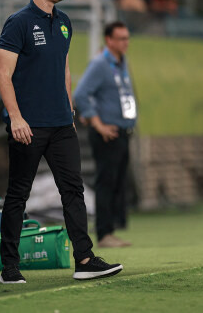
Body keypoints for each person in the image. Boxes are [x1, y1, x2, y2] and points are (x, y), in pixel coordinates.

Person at [0, 0, 123, 284]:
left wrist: (68, 110)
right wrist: (15, 118)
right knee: (18, 194)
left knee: (74, 190)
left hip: (61, 125)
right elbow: (2, 77)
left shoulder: (65, 21)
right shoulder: (18, 23)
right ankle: (9, 267)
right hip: (27, 126)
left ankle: (84, 259)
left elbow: (63, 69)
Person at [74, 21, 136, 248]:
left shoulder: (121, 63)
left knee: (117, 182)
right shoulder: (101, 64)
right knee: (106, 182)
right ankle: (103, 233)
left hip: (122, 131)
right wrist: (97, 122)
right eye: (121, 38)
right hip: (107, 133)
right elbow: (80, 94)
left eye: (127, 38)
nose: (125, 42)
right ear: (109, 40)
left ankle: (111, 229)